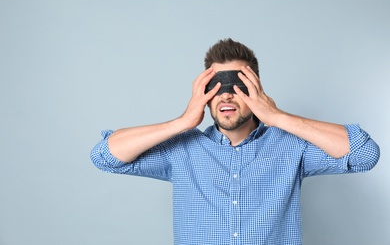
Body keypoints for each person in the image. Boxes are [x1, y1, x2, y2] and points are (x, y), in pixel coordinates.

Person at [90, 38, 380, 245]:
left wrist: (276, 116)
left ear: (255, 90)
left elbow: (365, 153)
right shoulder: (181, 151)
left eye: (236, 87)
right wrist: (182, 122)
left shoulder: (292, 147)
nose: (226, 96)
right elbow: (105, 156)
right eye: (216, 88)